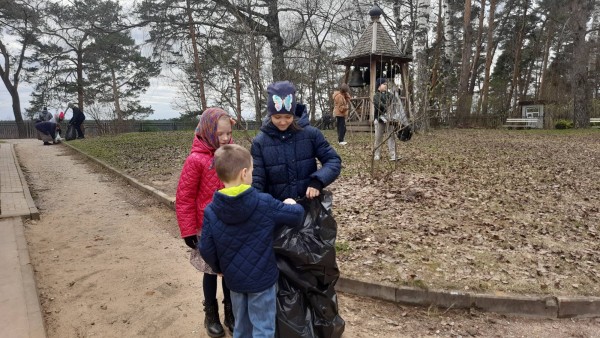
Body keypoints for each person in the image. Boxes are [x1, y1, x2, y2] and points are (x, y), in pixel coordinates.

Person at [200, 144, 305, 338]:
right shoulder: (264, 202)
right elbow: (296, 216)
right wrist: (291, 204)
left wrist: (219, 268)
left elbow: (205, 247)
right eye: (252, 171)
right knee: (263, 327)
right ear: (244, 173)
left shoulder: (211, 210)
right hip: (262, 281)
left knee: (242, 326)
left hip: (234, 280)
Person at [175, 108, 236, 338]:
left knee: (230, 271)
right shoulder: (196, 160)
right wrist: (188, 230)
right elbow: (185, 197)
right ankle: (211, 313)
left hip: (231, 224)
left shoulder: (230, 153)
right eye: (220, 134)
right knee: (210, 271)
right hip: (207, 228)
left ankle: (231, 312)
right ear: (209, 131)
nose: (224, 138)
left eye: (228, 133)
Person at [251, 80, 342, 201]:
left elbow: (333, 160)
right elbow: (257, 179)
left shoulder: (311, 134)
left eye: (288, 117)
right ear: (270, 115)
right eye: (277, 117)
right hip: (276, 209)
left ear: (293, 114)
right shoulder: (260, 142)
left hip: (307, 204)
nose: (283, 122)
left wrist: (318, 181)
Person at [373, 77, 397, 161]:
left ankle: (393, 154)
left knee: (391, 136)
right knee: (378, 138)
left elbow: (395, 100)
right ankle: (377, 154)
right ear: (379, 85)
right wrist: (387, 105)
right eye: (384, 84)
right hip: (379, 119)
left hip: (389, 119)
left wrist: (396, 95)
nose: (386, 85)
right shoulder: (376, 95)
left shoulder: (389, 94)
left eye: (386, 84)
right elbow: (379, 105)